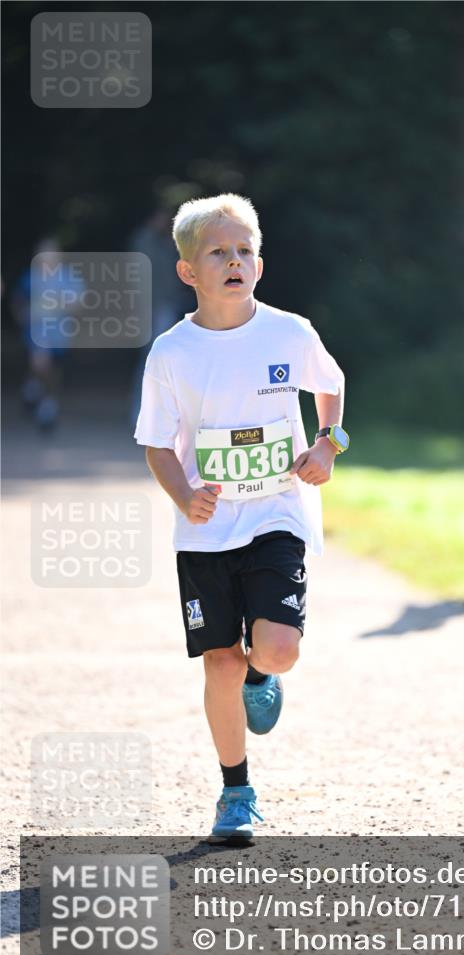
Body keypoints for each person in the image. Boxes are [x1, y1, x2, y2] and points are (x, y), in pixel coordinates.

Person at [134, 193, 348, 841]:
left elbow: (330, 390)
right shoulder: (172, 354)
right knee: (219, 663)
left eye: (244, 251)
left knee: (277, 652)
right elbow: (154, 443)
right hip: (206, 529)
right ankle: (236, 792)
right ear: (188, 272)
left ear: (259, 263)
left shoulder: (289, 332)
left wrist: (327, 443)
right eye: (218, 252)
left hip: (276, 512)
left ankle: (264, 671)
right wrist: (183, 496)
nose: (234, 261)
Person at [12, 238, 86, 431]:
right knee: (40, 362)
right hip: (37, 331)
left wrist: (62, 304)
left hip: (60, 333)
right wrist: (22, 314)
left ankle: (41, 398)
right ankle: (42, 401)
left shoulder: (68, 277)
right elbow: (19, 300)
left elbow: (79, 303)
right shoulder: (32, 276)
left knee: (53, 371)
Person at [129, 207, 191, 423]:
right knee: (152, 361)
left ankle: (157, 413)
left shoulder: (165, 244)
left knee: (163, 362)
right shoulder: (145, 242)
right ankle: (141, 412)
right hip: (153, 310)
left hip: (166, 308)